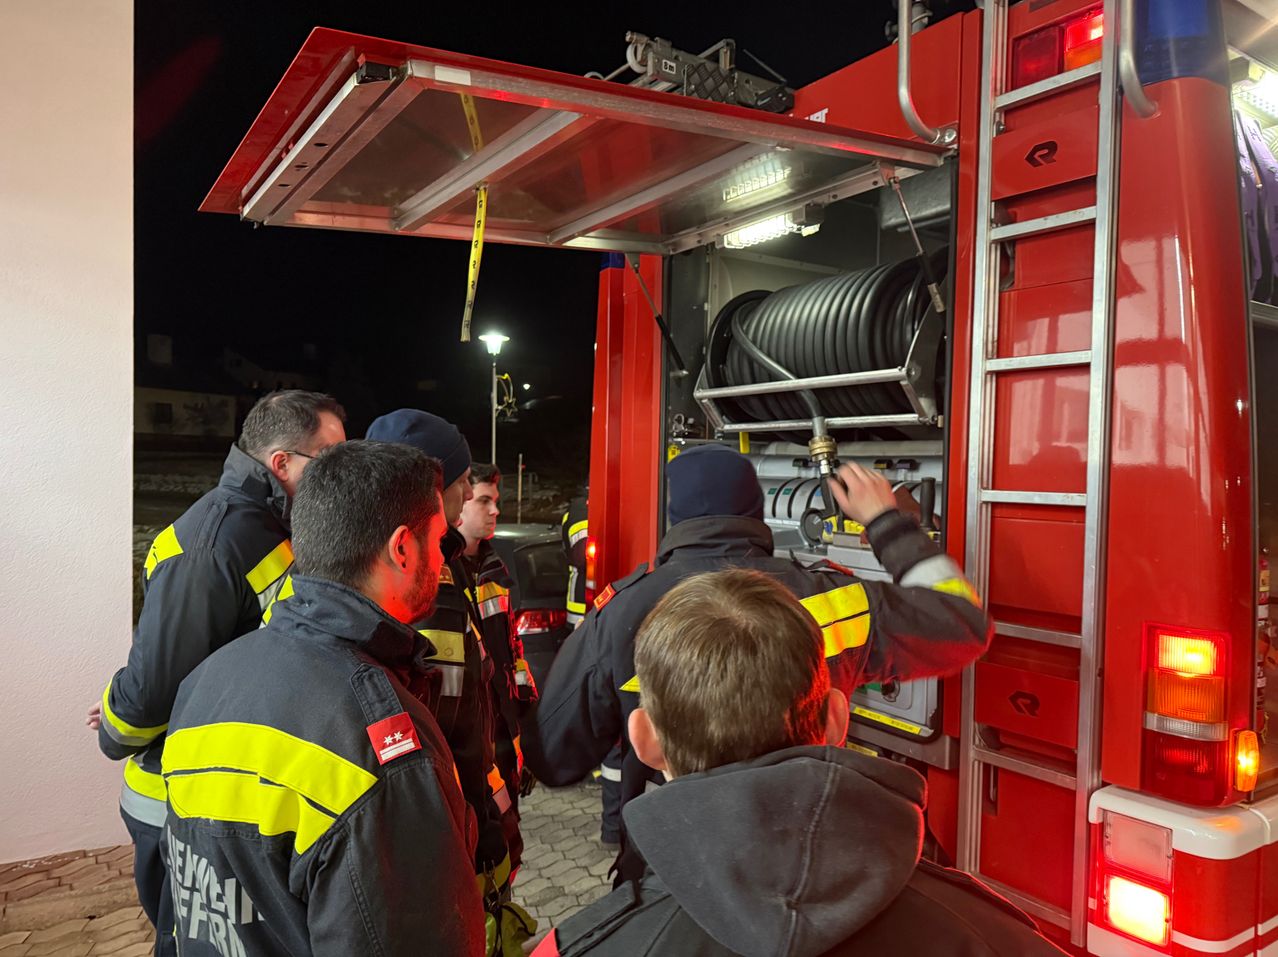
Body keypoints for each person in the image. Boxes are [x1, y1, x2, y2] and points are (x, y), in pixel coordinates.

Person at [532, 570, 1065, 957]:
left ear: (644, 740)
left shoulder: (581, 946)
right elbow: (960, 624)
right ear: (837, 721)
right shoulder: (1002, 938)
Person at [523, 444, 990, 871]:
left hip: (671, 866)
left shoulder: (620, 613)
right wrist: (886, 521)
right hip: (817, 859)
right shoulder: (839, 599)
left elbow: (553, 757)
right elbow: (962, 625)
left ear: (675, 514)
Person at [161, 441, 485, 956]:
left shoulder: (205, 682)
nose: (445, 558)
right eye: (439, 540)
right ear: (402, 548)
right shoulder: (382, 745)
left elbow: (182, 908)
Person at [89, 390, 345, 955]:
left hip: (236, 799)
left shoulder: (273, 527)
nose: (339, 475)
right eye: (329, 460)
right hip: (179, 803)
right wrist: (114, 720)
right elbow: (153, 694)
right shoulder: (211, 544)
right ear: (282, 464)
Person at [364, 410, 516, 902]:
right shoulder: (433, 582)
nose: (470, 495)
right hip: (449, 832)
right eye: (465, 481)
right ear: (436, 486)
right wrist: (488, 831)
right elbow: (455, 729)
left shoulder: (362, 557)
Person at [458, 463, 538, 871]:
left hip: (502, 737)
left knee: (509, 844)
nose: (494, 512)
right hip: (470, 742)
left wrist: (526, 715)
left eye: (496, 503)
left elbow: (512, 650)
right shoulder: (443, 575)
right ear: (459, 503)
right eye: (484, 501)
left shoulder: (495, 569)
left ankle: (503, 920)